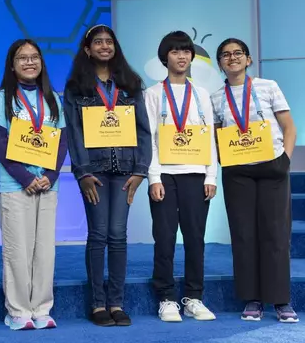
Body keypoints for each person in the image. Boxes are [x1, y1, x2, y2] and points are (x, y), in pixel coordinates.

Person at [63, 24, 151, 327]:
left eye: (109, 41)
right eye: (97, 42)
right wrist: (83, 172)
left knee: (119, 236)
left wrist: (141, 171)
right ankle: (98, 304)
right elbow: (74, 133)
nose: (104, 46)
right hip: (95, 173)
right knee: (98, 235)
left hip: (126, 171)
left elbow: (143, 131)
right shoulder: (76, 87)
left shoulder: (130, 83)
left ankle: (117, 302)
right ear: (87, 49)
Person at [211, 38, 298, 323]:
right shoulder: (216, 97)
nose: (232, 58)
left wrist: (284, 159)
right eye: (225, 54)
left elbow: (288, 127)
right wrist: (224, 160)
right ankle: (252, 299)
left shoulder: (267, 86)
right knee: (244, 235)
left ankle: (281, 301)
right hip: (238, 172)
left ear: (248, 60)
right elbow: (215, 134)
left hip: (272, 167)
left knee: (275, 234)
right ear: (220, 63)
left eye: (238, 53)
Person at [0, 39, 67, 330]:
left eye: (35, 57)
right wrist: (25, 177)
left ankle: (42, 309)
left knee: (45, 251)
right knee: (17, 250)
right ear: (12, 64)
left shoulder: (52, 98)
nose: (30, 62)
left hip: (47, 185)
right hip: (15, 185)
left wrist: (50, 175)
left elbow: (62, 141)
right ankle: (18, 310)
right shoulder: (3, 98)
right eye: (22, 58)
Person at [145, 31, 217, 323]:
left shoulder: (201, 94)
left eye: (186, 51)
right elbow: (148, 139)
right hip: (165, 175)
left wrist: (211, 175)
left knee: (195, 238)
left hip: (197, 175)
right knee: (164, 238)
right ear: (165, 58)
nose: (182, 56)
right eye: (175, 51)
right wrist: (153, 178)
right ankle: (166, 298)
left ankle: (193, 298)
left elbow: (210, 135)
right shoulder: (152, 94)